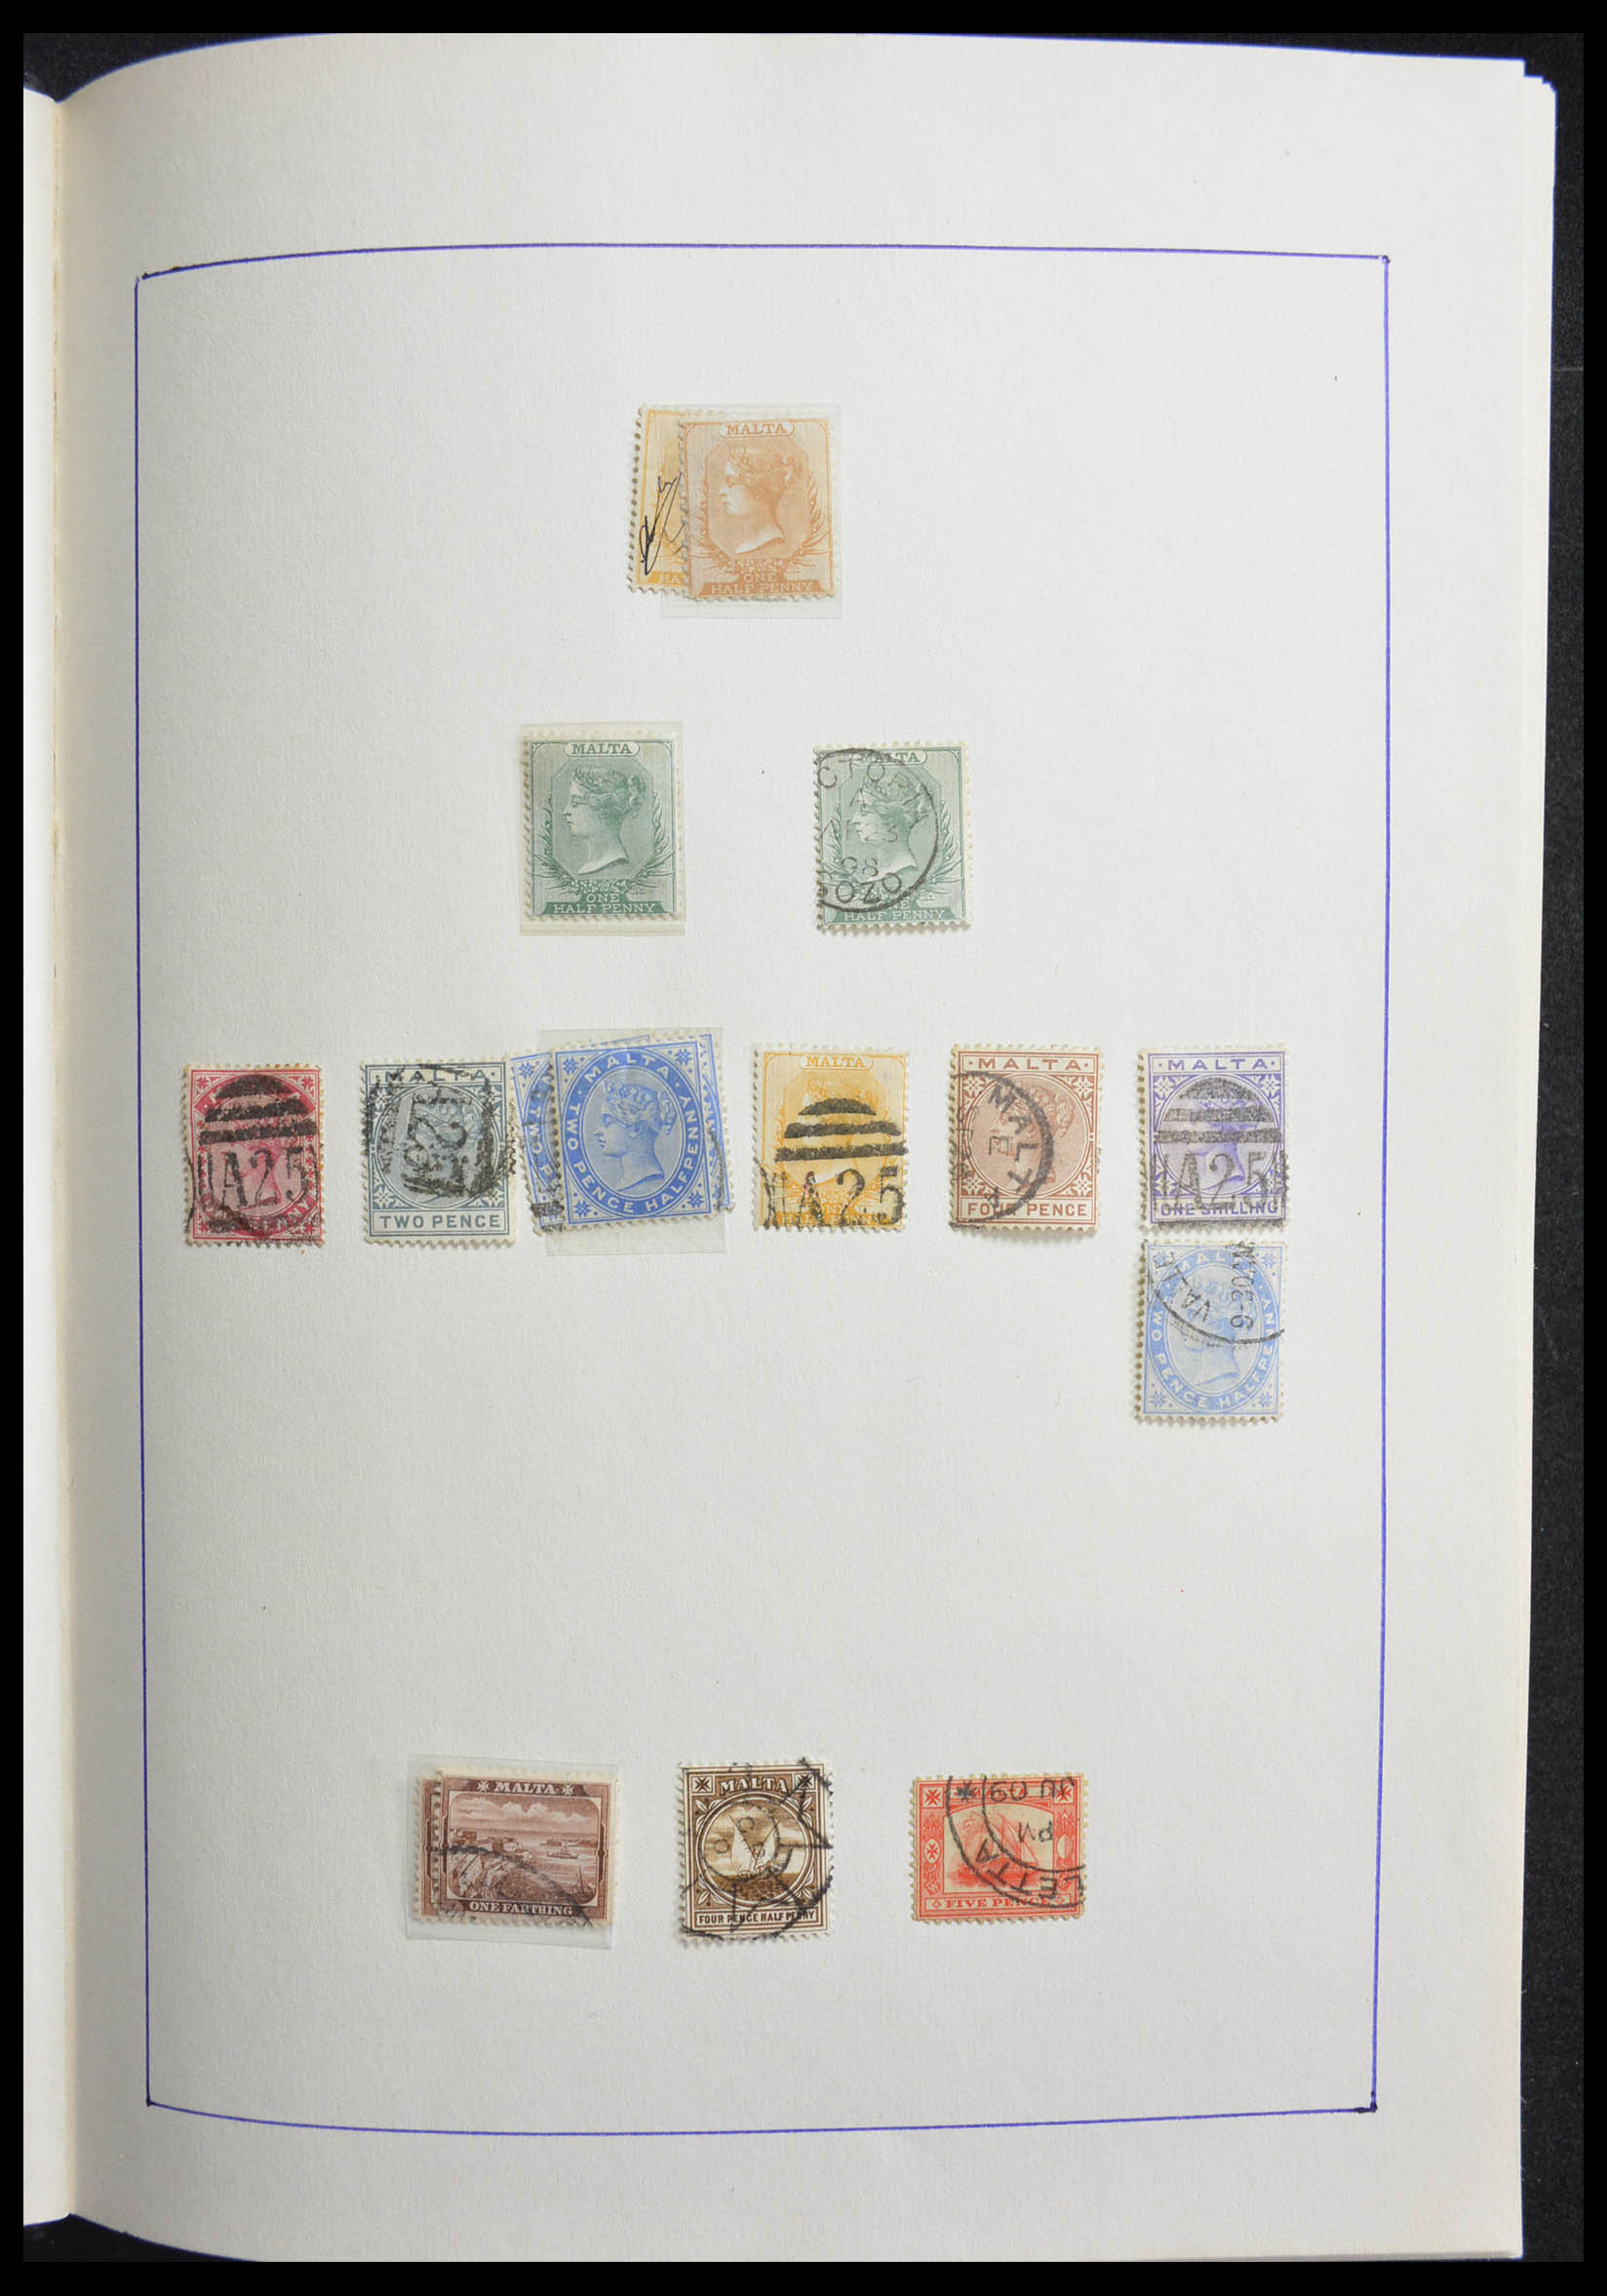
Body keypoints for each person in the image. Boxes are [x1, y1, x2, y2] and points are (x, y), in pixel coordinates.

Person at [589, 1070, 678, 1195]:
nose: (597, 1132)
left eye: (607, 1122)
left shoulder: (650, 1182)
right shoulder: (626, 1183)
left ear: (637, 1129)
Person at [563, 764, 647, 875]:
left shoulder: (616, 866)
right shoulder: (589, 866)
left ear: (602, 809)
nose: (566, 811)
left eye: (575, 803)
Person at [849, 765, 930, 880]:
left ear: (893, 822)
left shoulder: (903, 872)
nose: (854, 820)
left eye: (865, 812)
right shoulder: (882, 873)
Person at [716, 444, 799, 555]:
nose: (721, 492)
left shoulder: (772, 543)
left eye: (731, 483)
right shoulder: (748, 544)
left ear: (759, 490)